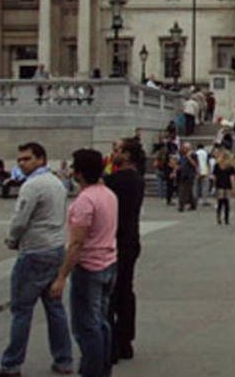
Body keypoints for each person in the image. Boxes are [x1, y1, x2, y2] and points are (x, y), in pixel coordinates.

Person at [0, 143, 73, 377]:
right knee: (54, 308)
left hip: (34, 251)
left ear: (41, 159)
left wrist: (12, 239)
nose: (21, 163)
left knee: (21, 310)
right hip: (55, 248)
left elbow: (20, 219)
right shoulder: (57, 183)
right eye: (19, 160)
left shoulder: (32, 185)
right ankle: (64, 359)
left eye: (26, 159)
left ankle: (11, 364)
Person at [50, 149, 119, 377]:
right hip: (109, 263)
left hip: (89, 267)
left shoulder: (85, 200)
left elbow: (77, 242)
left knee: (86, 327)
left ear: (79, 173)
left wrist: (62, 276)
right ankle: (104, 368)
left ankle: (92, 371)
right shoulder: (109, 194)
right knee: (102, 322)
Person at [104, 137, 146, 365]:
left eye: (117, 149)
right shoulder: (137, 179)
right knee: (126, 291)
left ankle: (112, 343)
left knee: (110, 295)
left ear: (127, 155)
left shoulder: (114, 181)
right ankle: (126, 340)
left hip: (115, 240)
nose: (113, 152)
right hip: (131, 238)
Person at [213, 151, 235, 225]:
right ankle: (226, 219)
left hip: (219, 185)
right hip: (227, 185)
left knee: (219, 202)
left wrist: (214, 185)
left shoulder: (217, 165)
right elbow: (231, 178)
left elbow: (214, 177)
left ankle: (218, 217)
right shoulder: (230, 167)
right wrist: (233, 187)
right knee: (226, 202)